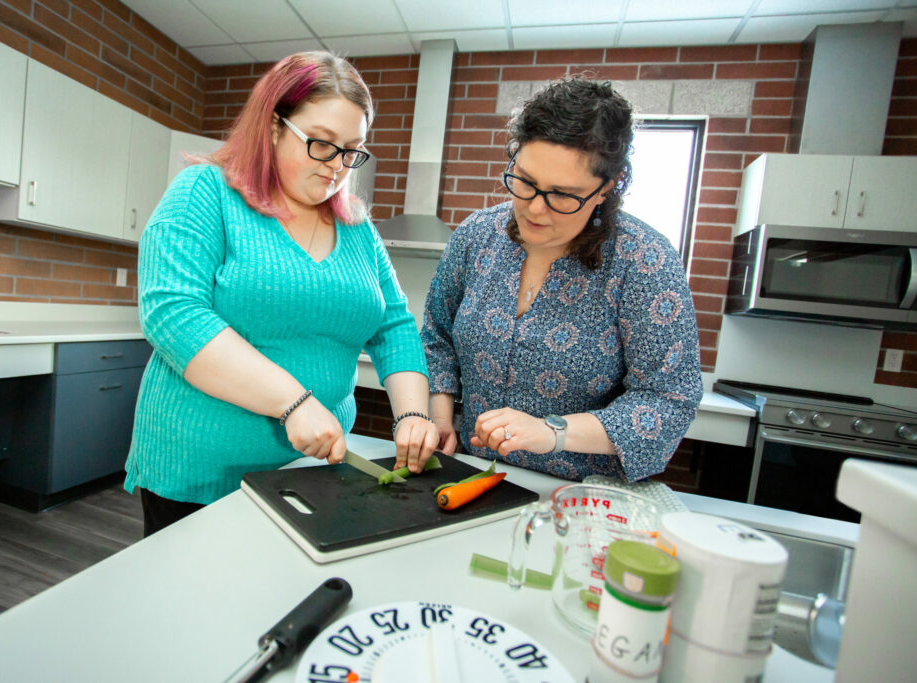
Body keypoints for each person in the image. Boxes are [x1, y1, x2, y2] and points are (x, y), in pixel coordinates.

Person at [125, 51, 439, 536]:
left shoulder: (357, 228)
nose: (337, 166)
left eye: (352, 149)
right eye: (321, 144)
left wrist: (414, 415)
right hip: (204, 471)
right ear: (273, 127)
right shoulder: (205, 193)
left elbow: (394, 325)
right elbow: (174, 315)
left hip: (312, 472)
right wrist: (292, 402)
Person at [420, 77, 703, 483]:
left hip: (581, 495)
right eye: (526, 182)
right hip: (474, 474)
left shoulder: (643, 260)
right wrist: (441, 415)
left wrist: (553, 432)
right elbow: (437, 335)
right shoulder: (477, 235)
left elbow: (668, 400)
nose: (536, 209)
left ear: (607, 188)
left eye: (563, 195)